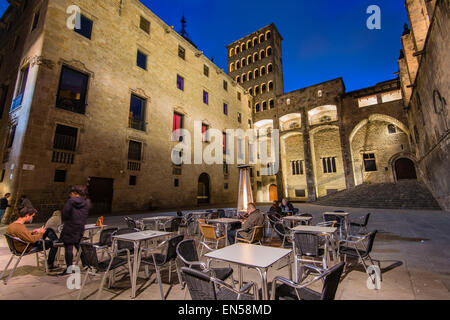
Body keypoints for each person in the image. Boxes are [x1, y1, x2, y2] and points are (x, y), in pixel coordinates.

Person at [60, 185, 91, 275]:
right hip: (80, 227)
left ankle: (69, 268)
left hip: (70, 227)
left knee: (69, 247)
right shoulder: (86, 202)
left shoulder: (71, 201)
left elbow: (65, 214)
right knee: (78, 246)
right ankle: (87, 264)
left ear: (74, 193)